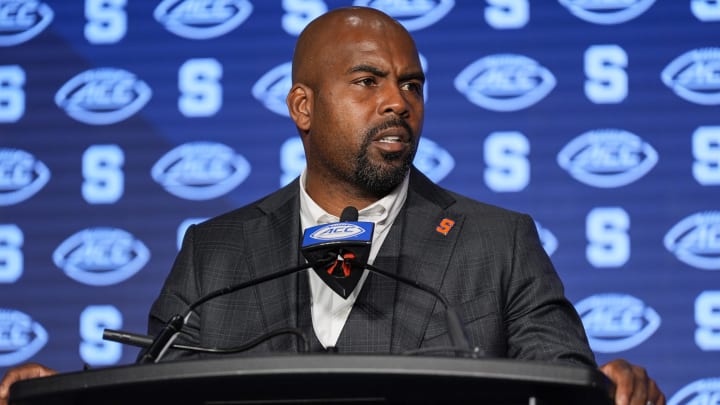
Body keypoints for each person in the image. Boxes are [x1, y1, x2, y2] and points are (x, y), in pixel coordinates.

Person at [1, 6, 664, 405]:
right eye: (367, 81)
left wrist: (616, 384)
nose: (397, 102)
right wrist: (50, 396)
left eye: (410, 84)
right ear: (303, 108)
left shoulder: (498, 241)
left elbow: (564, 383)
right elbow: (159, 396)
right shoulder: (217, 251)